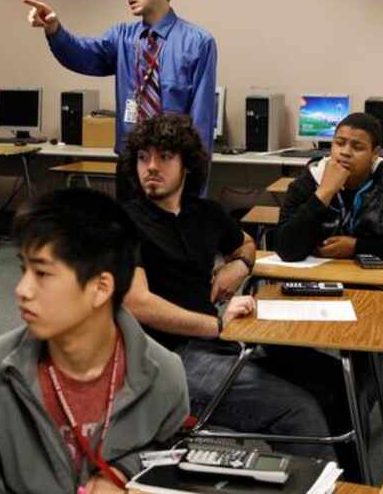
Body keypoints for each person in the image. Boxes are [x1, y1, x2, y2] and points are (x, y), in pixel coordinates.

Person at [0, 189, 188, 494]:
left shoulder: (165, 376)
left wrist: (122, 472)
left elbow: (172, 457)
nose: (22, 289)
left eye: (42, 273)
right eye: (23, 270)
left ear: (100, 288)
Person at [120, 114, 336, 460]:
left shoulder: (205, 213)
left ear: (186, 164)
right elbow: (138, 303)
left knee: (332, 379)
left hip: (218, 344)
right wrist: (216, 325)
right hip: (168, 359)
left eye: (164, 157)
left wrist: (237, 267)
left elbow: (246, 243)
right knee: (298, 410)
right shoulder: (124, 222)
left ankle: (350, 483)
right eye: (143, 157)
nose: (151, 167)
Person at [24, 0, 217, 201]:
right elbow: (82, 56)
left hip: (173, 168)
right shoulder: (122, 38)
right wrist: (54, 30)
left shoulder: (198, 42)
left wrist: (195, 192)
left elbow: (201, 121)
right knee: (129, 236)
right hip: (131, 165)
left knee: (170, 238)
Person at [276, 112, 383, 268]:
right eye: (339, 143)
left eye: (357, 147)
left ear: (375, 154)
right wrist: (324, 193)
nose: (345, 152)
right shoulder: (308, 182)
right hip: (313, 280)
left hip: (374, 285)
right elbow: (285, 249)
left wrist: (358, 247)